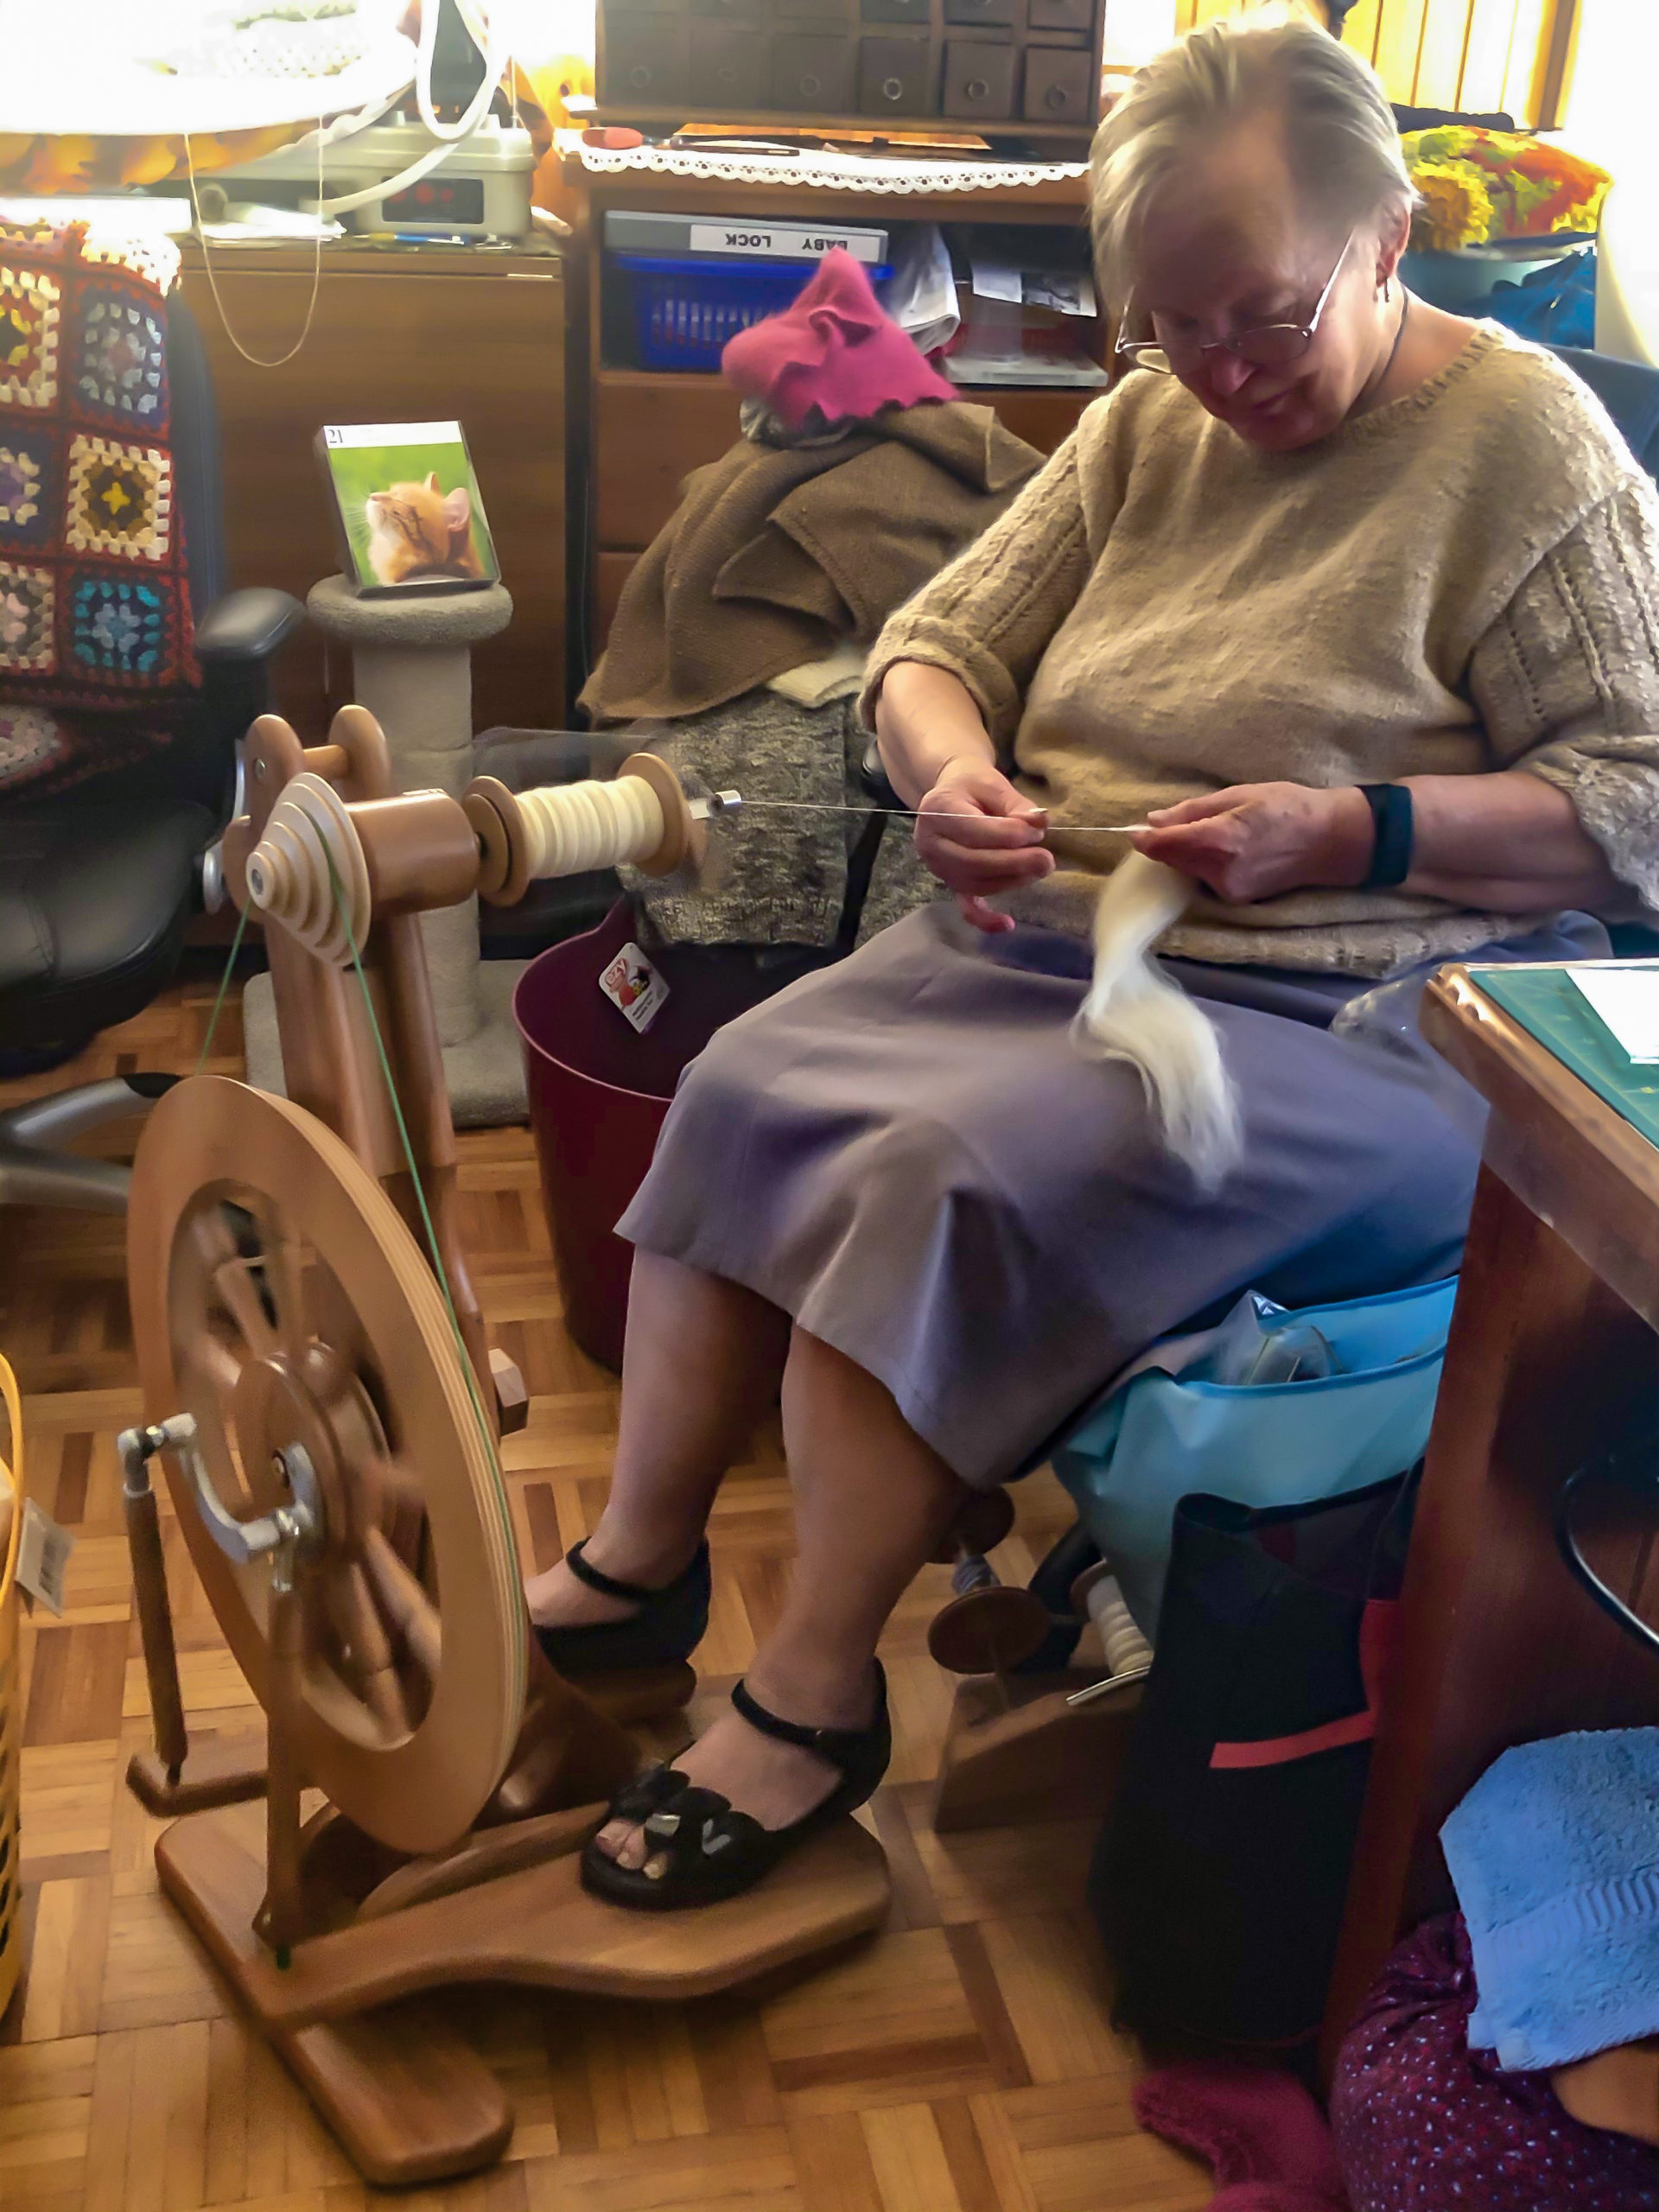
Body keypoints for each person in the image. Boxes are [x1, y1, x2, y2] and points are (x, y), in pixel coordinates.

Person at [531, 16, 1659, 1910]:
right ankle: (642, 1570)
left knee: (936, 1180)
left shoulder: (1523, 442)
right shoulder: (1152, 424)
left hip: (1380, 1021)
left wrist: (1362, 827)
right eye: (1175, 327)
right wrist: (952, 769)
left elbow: (1635, 803)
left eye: (1267, 320)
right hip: (1068, 945)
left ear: (1387, 236)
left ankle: (814, 1698)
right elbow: (930, 643)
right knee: (734, 1087)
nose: (1222, 373)